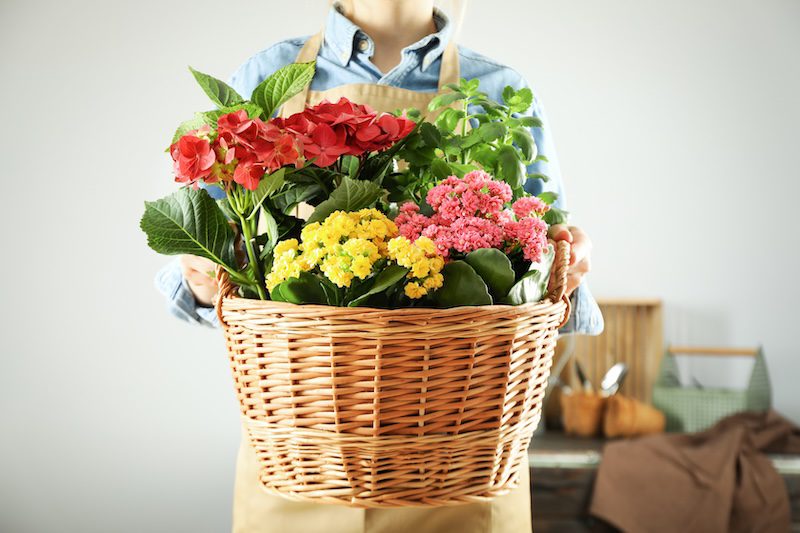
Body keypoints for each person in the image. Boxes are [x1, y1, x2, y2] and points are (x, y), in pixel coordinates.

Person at [155, 1, 604, 531]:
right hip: (302, 456)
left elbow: (549, 285)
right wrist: (204, 274)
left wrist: (567, 262)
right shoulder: (267, 77)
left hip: (462, 462)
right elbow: (206, 257)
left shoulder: (501, 90)